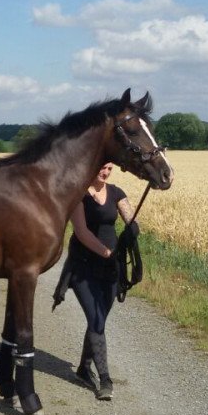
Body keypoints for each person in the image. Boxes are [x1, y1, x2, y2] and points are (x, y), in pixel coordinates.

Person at [53, 162, 138, 400]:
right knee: (96, 319)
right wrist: (106, 253)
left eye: (109, 168)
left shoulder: (116, 193)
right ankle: (105, 380)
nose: (105, 171)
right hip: (83, 267)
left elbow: (130, 218)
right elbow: (82, 232)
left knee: (98, 320)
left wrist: (133, 230)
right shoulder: (77, 195)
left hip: (111, 270)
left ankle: (82, 369)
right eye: (101, 167)